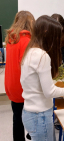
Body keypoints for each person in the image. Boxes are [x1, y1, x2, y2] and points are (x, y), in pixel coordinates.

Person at [20, 15, 64, 141]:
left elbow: (41, 88)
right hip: (40, 116)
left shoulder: (30, 50)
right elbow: (49, 92)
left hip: (31, 113)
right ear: (47, 34)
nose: (58, 40)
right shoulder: (42, 56)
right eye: (56, 36)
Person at [4, 11, 35, 141]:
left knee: (17, 117)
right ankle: (31, 134)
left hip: (11, 85)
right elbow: (27, 69)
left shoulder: (11, 39)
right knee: (30, 116)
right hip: (22, 88)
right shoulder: (27, 41)